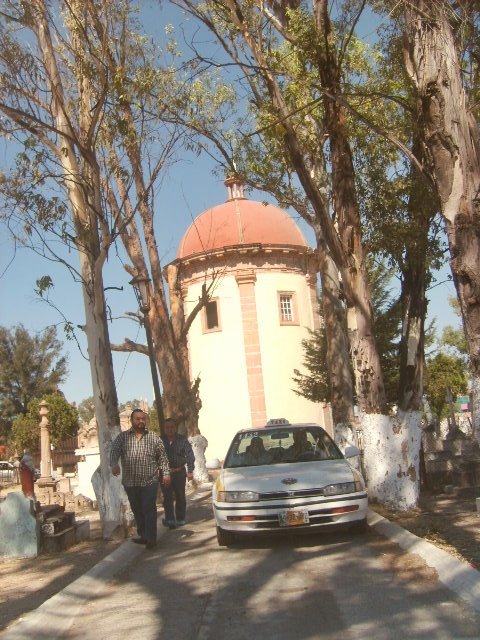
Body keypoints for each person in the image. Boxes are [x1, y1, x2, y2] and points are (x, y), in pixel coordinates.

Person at [110, 408, 171, 549]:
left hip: (149, 481)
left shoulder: (153, 437)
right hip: (130, 483)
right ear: (132, 420)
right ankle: (143, 535)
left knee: (149, 509)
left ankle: (151, 538)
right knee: (137, 510)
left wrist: (166, 473)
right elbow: (114, 451)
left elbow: (162, 458)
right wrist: (114, 465)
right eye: (138, 419)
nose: (141, 421)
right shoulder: (123, 437)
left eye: (143, 418)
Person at [160, 417, 195, 529]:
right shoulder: (160, 440)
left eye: (172, 427)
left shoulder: (182, 440)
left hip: (179, 472)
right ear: (165, 429)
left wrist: (190, 471)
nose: (170, 429)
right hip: (165, 474)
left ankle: (180, 519)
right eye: (167, 427)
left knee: (180, 496)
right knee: (167, 497)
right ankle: (170, 519)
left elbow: (190, 455)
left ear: (175, 428)